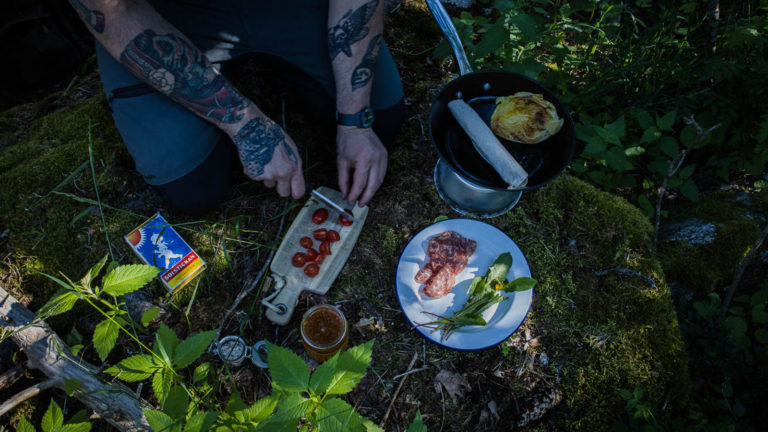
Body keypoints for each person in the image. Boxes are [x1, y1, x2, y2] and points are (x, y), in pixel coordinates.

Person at [68, 0, 405, 215]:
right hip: (158, 16)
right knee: (192, 185)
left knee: (382, 120)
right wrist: (247, 125)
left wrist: (354, 120)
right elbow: (113, 11)